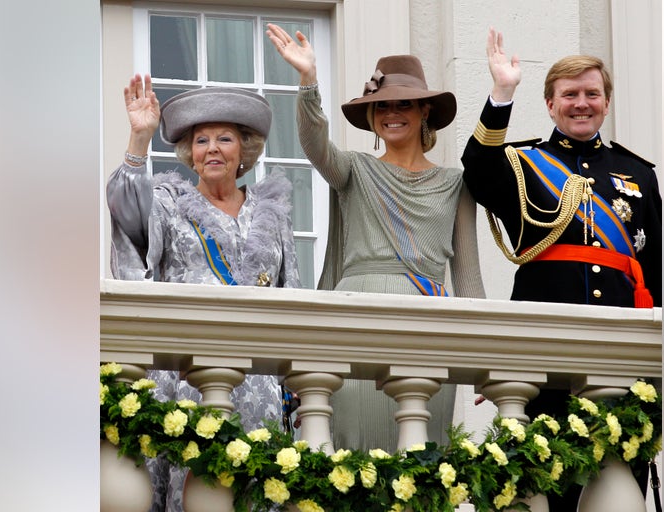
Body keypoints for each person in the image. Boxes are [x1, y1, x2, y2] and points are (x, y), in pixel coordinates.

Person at [461, 28, 662, 508]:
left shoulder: (638, 173)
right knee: (541, 486)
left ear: (606, 103)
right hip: (543, 349)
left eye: (592, 93)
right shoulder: (526, 163)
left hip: (621, 351)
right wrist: (501, 93)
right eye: (569, 94)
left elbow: (656, 268)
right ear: (550, 105)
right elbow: (478, 169)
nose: (581, 103)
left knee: (617, 480)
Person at [265, 24, 485, 453]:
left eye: (404, 104)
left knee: (420, 460)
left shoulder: (458, 183)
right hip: (354, 316)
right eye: (382, 105)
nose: (392, 112)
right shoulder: (354, 169)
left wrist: (482, 356)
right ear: (371, 115)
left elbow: (469, 277)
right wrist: (309, 82)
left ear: (425, 112)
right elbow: (314, 146)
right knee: (353, 454)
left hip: (428, 321)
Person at [106, 73, 301, 512]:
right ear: (189, 155)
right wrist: (140, 137)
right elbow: (127, 214)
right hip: (187, 379)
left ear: (244, 152)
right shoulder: (169, 203)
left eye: (225, 139)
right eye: (201, 140)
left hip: (260, 384)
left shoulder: (272, 214)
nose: (212, 148)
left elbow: (293, 297)